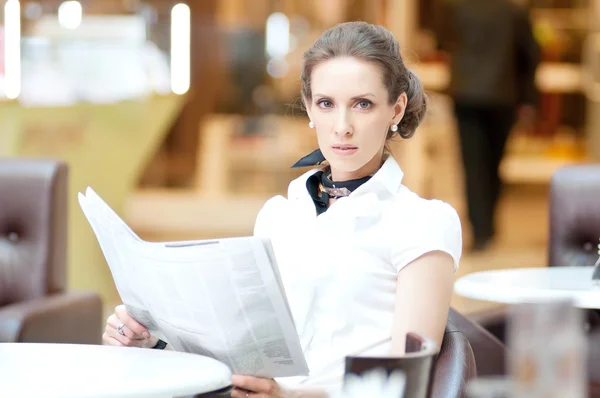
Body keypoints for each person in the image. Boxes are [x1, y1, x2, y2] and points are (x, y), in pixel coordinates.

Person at [103, 22, 462, 397]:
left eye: (363, 104)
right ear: (309, 108)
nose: (342, 127)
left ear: (396, 109)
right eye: (326, 103)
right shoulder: (279, 215)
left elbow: (404, 386)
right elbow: (244, 353)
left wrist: (288, 397)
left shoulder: (423, 223)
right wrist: (153, 344)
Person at [436, 0, 541, 251]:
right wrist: (529, 99)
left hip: (467, 95)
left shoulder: (456, 8)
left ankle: (481, 230)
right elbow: (530, 55)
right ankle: (488, 225)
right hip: (503, 97)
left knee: (473, 165)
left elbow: (442, 44)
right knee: (494, 163)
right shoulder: (514, 11)